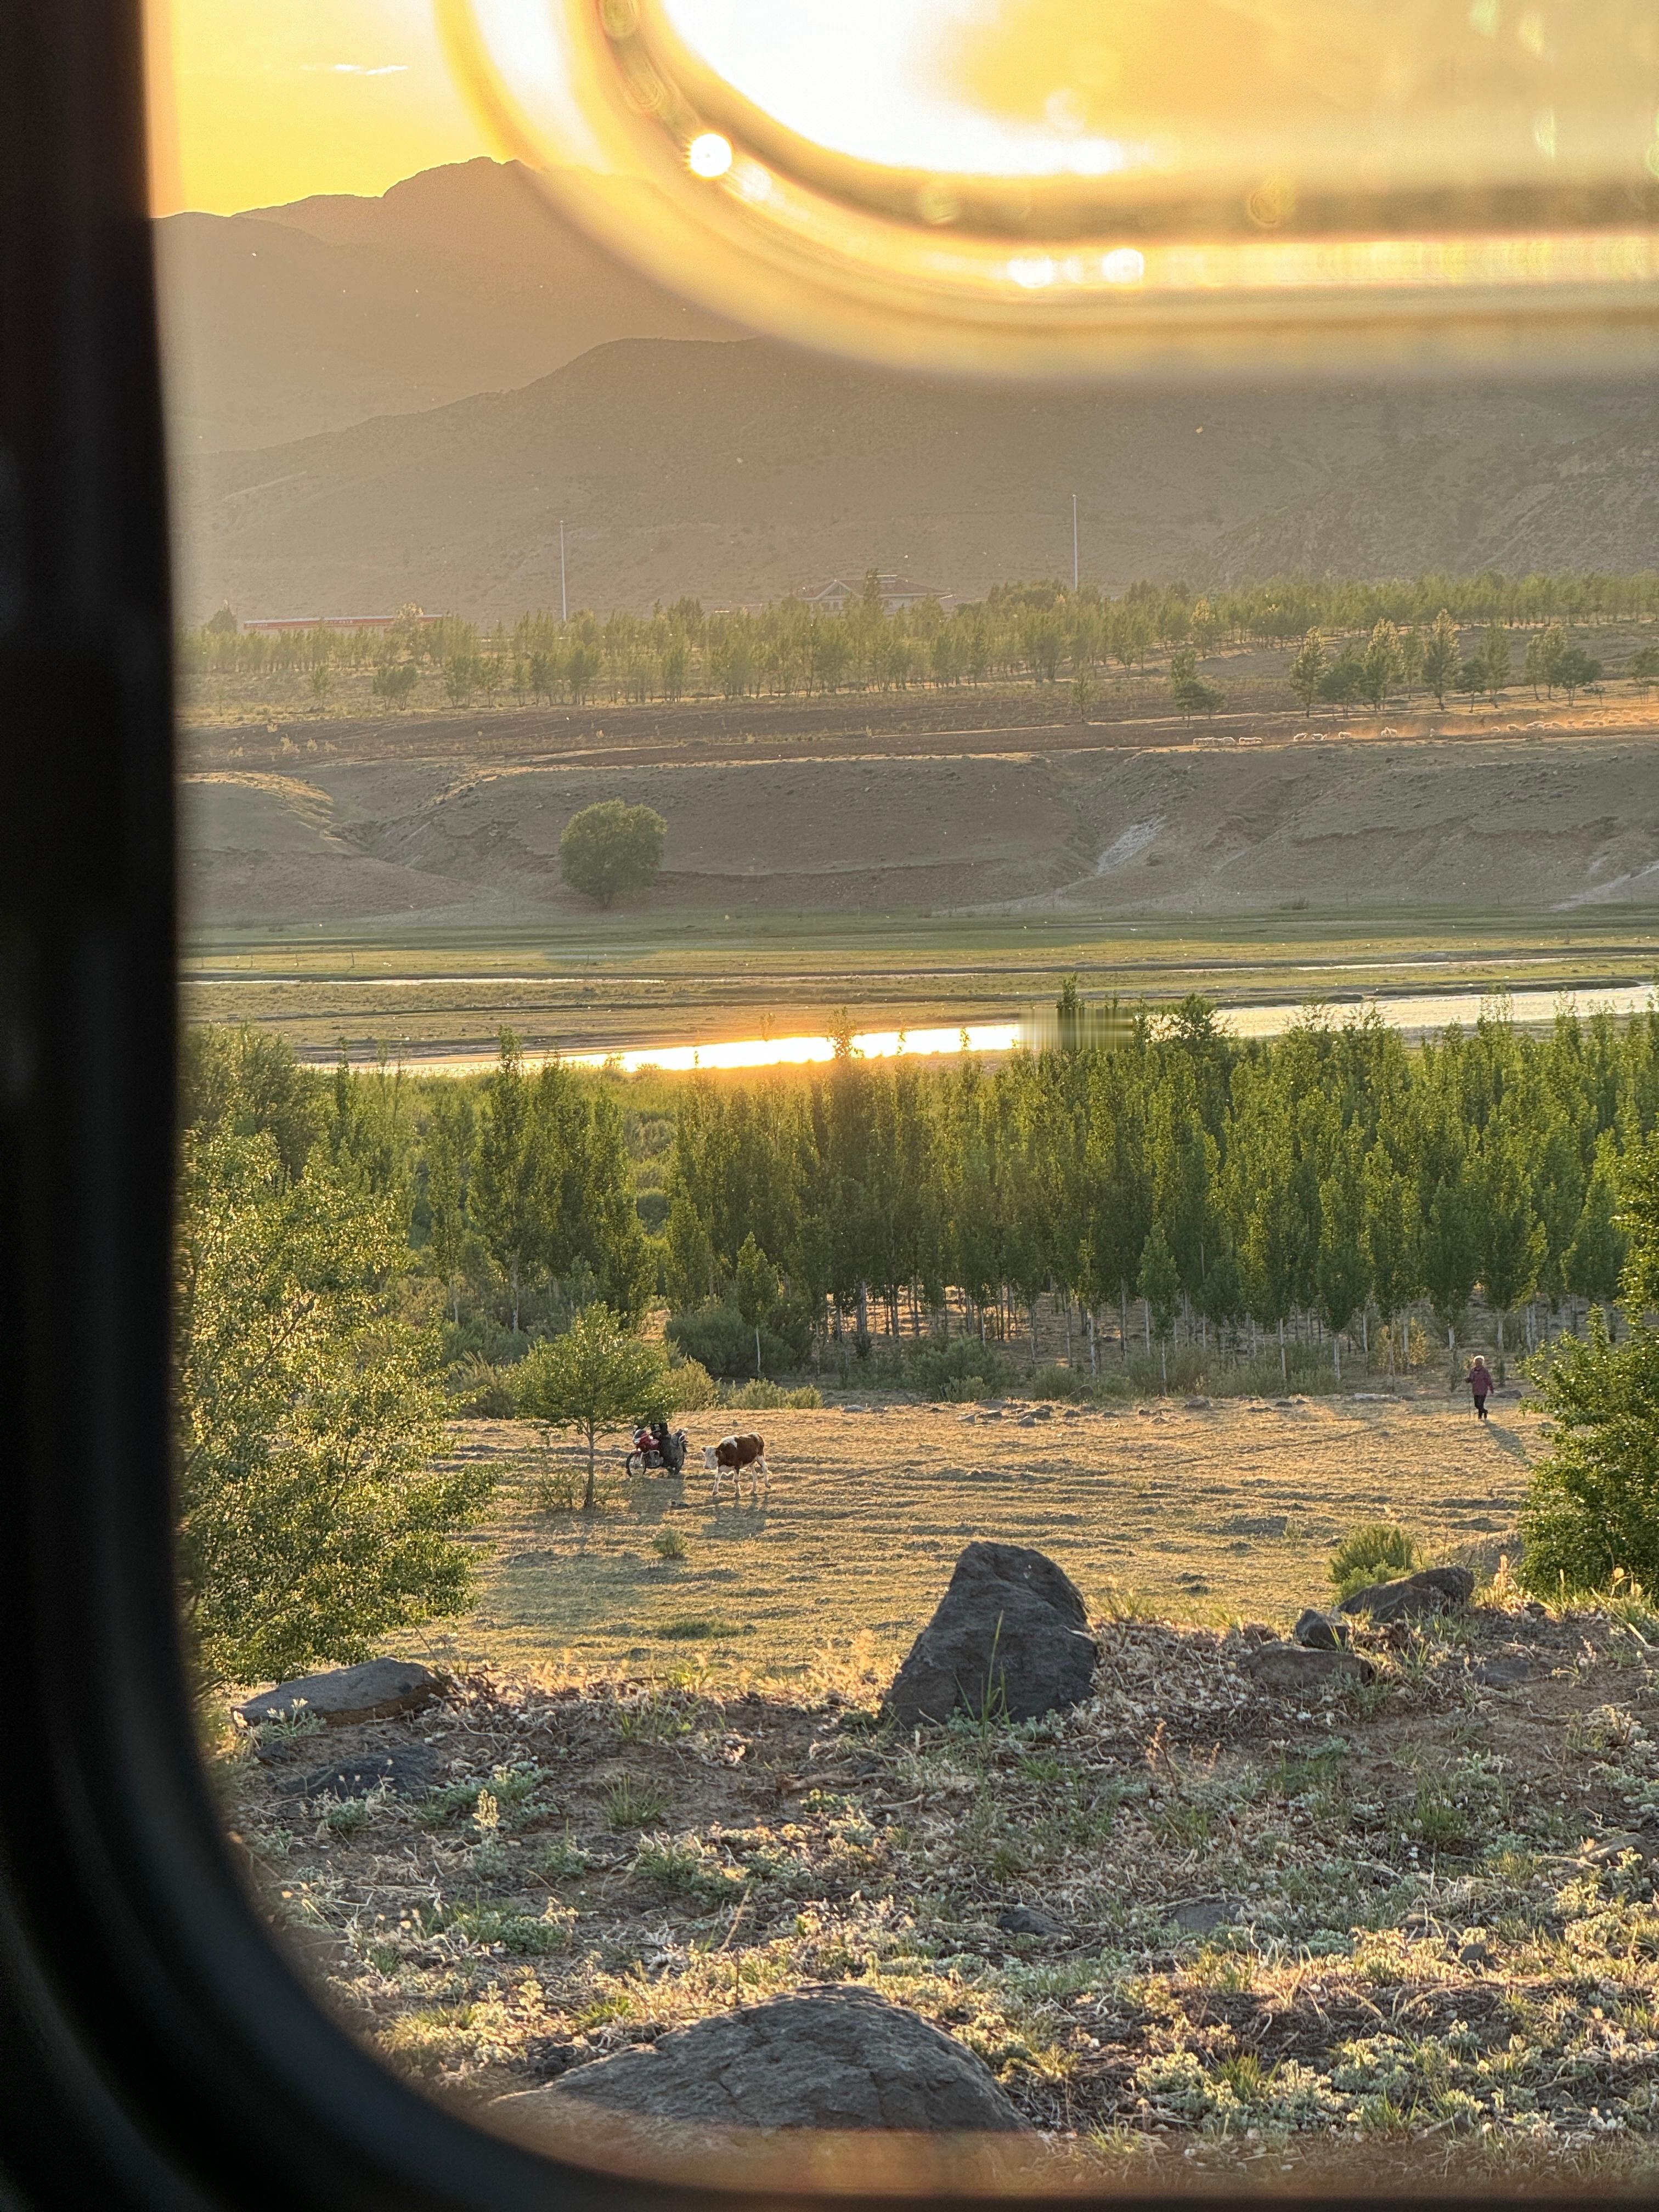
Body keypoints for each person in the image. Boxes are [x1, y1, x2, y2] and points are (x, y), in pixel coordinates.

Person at [1465, 1355, 1493, 1421]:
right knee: (1477, 1405)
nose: (1478, 1363)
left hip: (1483, 1390)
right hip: (1476, 1390)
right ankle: (1485, 1412)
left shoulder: (1484, 1371)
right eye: (1476, 1362)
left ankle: (1480, 1417)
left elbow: (1488, 1380)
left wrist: (1491, 1388)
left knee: (1481, 1404)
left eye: (1479, 1362)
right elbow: (1472, 1379)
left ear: (1482, 1363)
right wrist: (1468, 1380)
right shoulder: (1473, 1370)